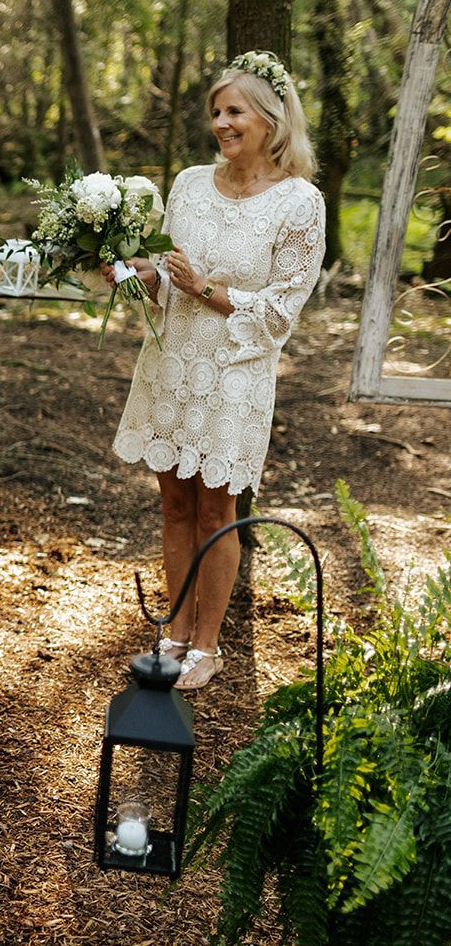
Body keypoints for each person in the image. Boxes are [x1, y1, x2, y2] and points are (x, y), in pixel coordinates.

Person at [106, 51, 324, 691]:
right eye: (216, 113)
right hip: (173, 360)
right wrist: (130, 272)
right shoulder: (189, 184)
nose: (222, 124)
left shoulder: (300, 203)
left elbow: (285, 308)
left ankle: (208, 646)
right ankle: (174, 632)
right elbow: (169, 276)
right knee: (173, 500)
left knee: (215, 508)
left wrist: (206, 291)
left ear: (270, 120)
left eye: (235, 111)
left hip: (237, 370)